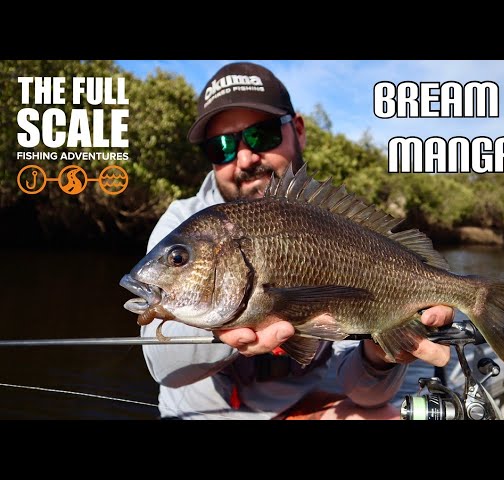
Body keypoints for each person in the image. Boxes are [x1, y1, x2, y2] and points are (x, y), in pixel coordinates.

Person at [140, 61, 455, 420]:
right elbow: (163, 368)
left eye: (262, 134)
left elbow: (366, 396)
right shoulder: (185, 226)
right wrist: (228, 325)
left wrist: (381, 353)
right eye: (221, 146)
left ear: (298, 130)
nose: (244, 158)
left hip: (304, 408)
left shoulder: (346, 230)